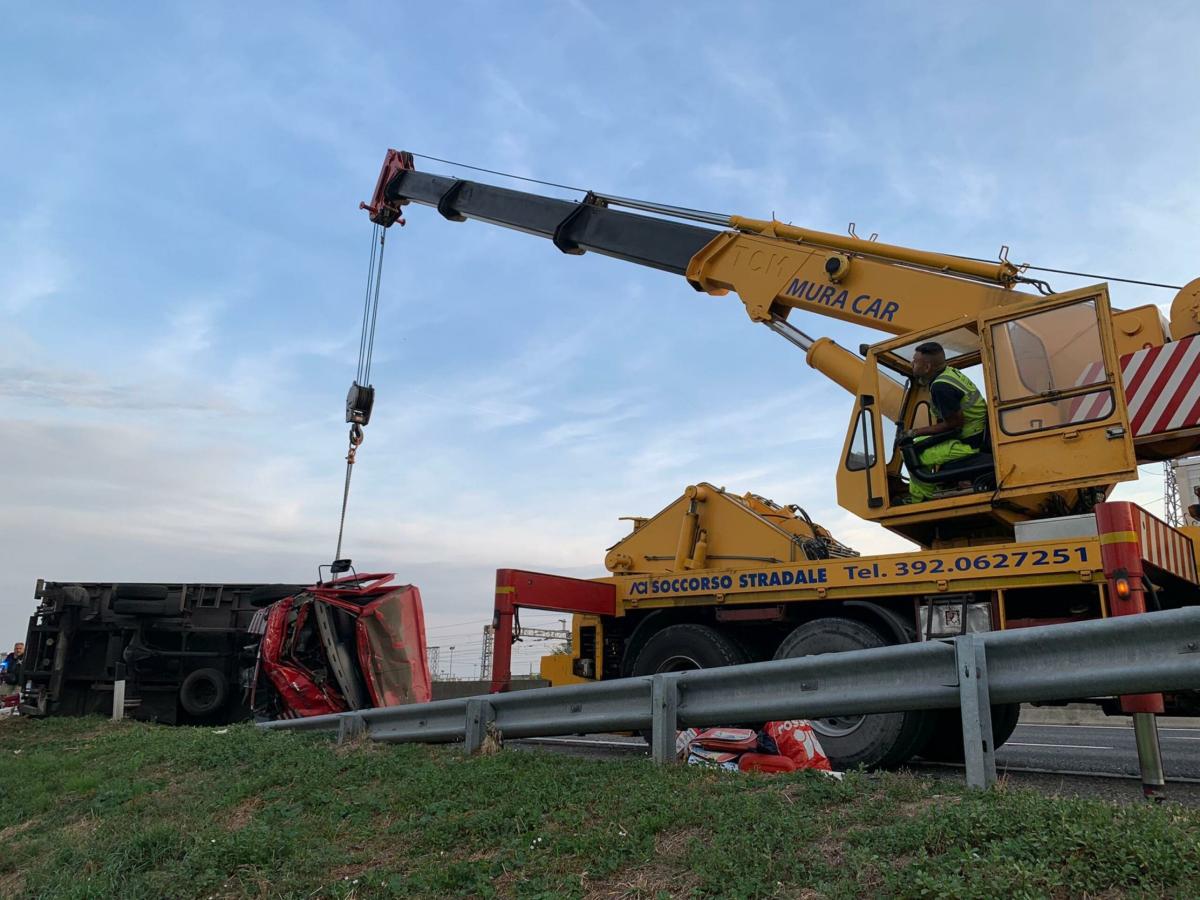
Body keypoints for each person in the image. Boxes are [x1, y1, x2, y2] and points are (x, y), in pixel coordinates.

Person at [901, 342, 989, 502]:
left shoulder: (941, 387)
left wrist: (914, 432)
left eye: (915, 361)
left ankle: (921, 500)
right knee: (920, 444)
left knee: (913, 453)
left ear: (927, 368)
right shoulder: (950, 373)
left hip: (970, 442)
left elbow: (954, 424)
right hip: (977, 432)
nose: (911, 363)